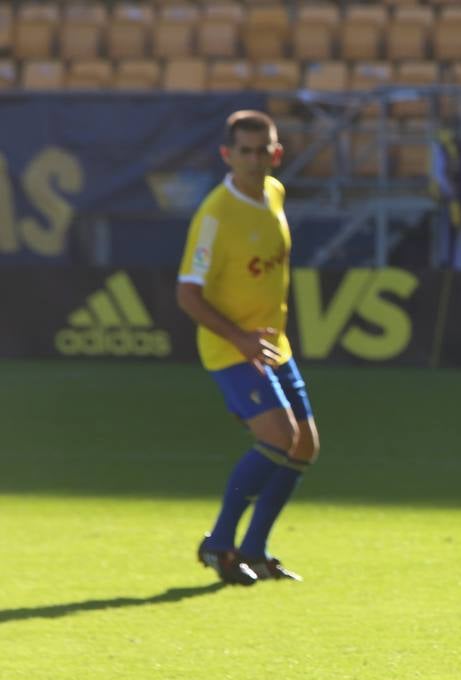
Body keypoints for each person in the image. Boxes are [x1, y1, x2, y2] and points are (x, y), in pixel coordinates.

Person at [177, 110, 316, 586]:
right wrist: (238, 338)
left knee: (305, 445)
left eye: (265, 150)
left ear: (277, 153)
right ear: (227, 155)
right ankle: (219, 544)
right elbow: (187, 293)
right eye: (246, 151)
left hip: (273, 345)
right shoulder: (215, 215)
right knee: (278, 438)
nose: (257, 159)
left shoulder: (274, 193)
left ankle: (254, 550)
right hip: (232, 348)